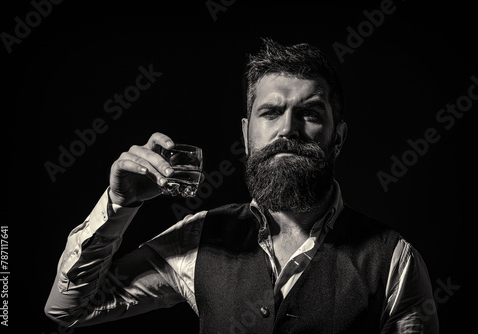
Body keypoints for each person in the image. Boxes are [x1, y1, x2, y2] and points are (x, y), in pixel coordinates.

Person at [45, 37, 439, 333]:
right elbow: (69, 308)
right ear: (247, 133)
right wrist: (120, 204)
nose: (288, 129)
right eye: (271, 112)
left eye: (310, 113)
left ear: (338, 137)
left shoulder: (394, 261)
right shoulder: (200, 239)